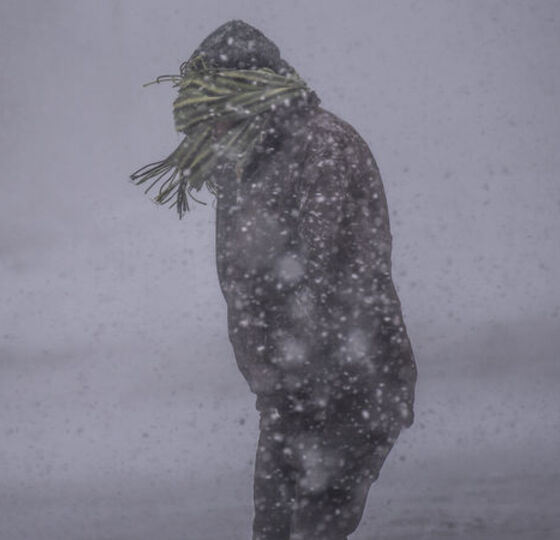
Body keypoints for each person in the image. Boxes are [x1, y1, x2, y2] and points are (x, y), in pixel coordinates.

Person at [132, 20, 417, 540]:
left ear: (249, 94)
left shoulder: (323, 145)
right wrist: (273, 379)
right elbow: (244, 279)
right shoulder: (244, 161)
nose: (209, 126)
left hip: (350, 384)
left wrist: (307, 374)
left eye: (215, 108)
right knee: (274, 531)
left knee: (312, 529)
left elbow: (322, 275)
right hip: (291, 393)